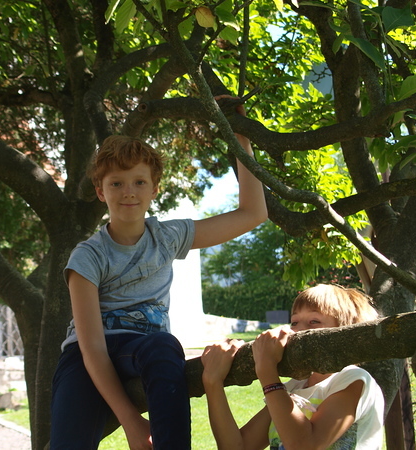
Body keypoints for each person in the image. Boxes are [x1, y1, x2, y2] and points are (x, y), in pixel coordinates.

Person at [50, 101, 267, 449]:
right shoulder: (87, 256)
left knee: (165, 346)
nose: (129, 192)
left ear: (154, 189)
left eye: (139, 182)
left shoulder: (167, 237)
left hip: (145, 348)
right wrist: (132, 422)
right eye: (116, 183)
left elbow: (253, 214)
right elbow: (92, 347)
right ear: (100, 191)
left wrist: (240, 136)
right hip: (87, 354)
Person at [201, 284, 385, 450]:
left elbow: (305, 446)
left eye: (314, 321)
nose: (296, 331)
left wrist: (267, 371)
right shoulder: (294, 387)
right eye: (294, 322)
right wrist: (212, 382)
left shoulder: (354, 380)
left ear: (345, 330)